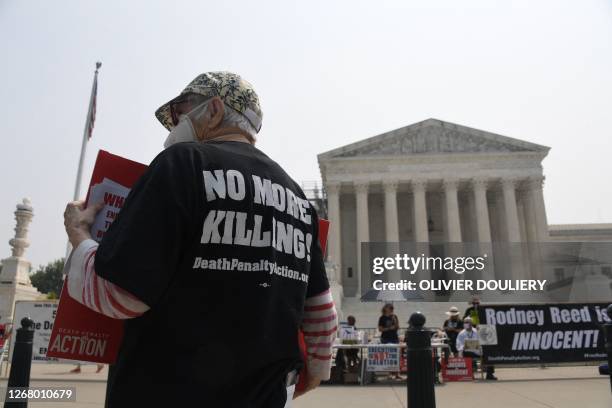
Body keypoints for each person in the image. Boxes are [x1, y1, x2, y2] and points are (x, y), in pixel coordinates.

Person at [63, 71, 337, 407]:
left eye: (180, 112)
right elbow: (321, 314)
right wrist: (313, 373)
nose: (175, 124)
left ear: (214, 110)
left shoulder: (181, 164)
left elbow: (120, 294)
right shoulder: (296, 197)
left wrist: (79, 237)